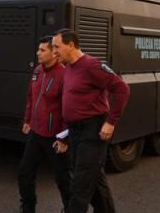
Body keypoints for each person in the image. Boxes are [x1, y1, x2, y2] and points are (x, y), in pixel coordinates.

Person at [52, 29, 130, 213]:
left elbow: (122, 89)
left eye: (57, 47)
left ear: (71, 45)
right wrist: (64, 136)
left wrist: (111, 122)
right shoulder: (68, 67)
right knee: (94, 179)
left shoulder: (91, 65)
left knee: (80, 183)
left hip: (92, 130)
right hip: (76, 130)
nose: (54, 51)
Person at [18, 36, 71, 213]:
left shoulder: (64, 75)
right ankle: (27, 208)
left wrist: (63, 137)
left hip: (54, 137)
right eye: (38, 49)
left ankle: (70, 208)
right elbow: (31, 98)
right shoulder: (38, 70)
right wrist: (27, 120)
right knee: (24, 173)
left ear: (54, 53)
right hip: (36, 132)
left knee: (63, 178)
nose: (38, 53)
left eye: (42, 50)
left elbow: (68, 110)